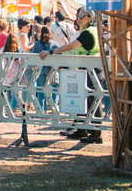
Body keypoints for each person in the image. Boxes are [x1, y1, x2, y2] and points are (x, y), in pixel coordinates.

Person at [40, 9, 102, 143]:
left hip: (91, 68)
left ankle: (96, 133)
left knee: (92, 100)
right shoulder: (93, 30)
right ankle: (82, 129)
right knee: (85, 99)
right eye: (78, 16)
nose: (79, 18)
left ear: (90, 18)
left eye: (82, 16)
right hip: (91, 67)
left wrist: (51, 51)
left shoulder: (88, 32)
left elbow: (70, 46)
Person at [30, 26, 56, 113]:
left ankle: (41, 109)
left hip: (40, 69)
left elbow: (33, 56)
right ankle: (54, 107)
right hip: (52, 69)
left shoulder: (37, 44)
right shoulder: (54, 44)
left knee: (41, 90)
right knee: (55, 88)